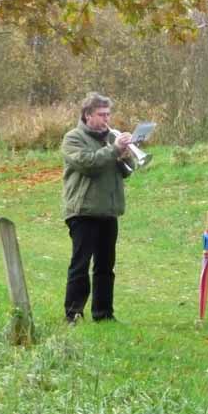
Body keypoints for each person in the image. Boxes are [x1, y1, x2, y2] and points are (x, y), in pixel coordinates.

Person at [61, 92, 133, 323]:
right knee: (80, 265)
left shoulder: (110, 138)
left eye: (108, 114)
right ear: (87, 115)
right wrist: (114, 150)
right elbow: (88, 164)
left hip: (108, 211)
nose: (106, 119)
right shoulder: (73, 138)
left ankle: (103, 313)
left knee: (105, 266)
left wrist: (125, 155)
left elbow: (127, 172)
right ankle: (73, 313)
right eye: (101, 114)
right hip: (83, 210)